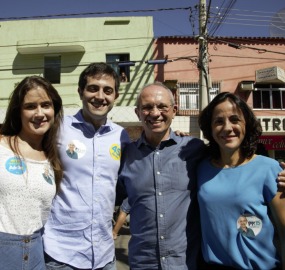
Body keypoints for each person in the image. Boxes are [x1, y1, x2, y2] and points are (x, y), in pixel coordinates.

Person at [43, 62, 130, 270]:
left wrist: (173, 137)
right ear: (80, 91)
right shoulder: (57, 128)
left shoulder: (121, 136)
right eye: (93, 88)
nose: (100, 96)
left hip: (104, 254)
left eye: (107, 91)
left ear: (115, 97)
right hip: (61, 254)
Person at [117, 82, 205, 269]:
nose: (155, 113)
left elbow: (230, 167)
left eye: (162, 106)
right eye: (147, 107)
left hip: (185, 263)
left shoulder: (194, 149)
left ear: (174, 110)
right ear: (137, 112)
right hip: (142, 263)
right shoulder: (125, 155)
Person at [197, 92, 285, 269]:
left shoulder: (269, 168)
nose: (227, 127)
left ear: (247, 124)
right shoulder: (200, 168)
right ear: (210, 128)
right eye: (219, 121)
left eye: (235, 119)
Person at [0, 75, 63, 270]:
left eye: (46, 105)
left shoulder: (52, 158)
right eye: (30, 106)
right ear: (18, 111)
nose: (40, 113)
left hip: (37, 252)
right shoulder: (2, 146)